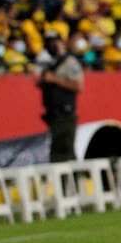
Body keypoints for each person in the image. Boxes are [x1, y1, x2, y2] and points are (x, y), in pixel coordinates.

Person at [36, 29, 83, 162]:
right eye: (48, 44)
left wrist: (55, 80)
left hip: (65, 114)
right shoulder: (51, 63)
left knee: (63, 153)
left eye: (53, 43)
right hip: (54, 114)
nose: (50, 46)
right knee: (59, 151)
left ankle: (74, 180)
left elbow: (78, 86)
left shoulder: (69, 62)